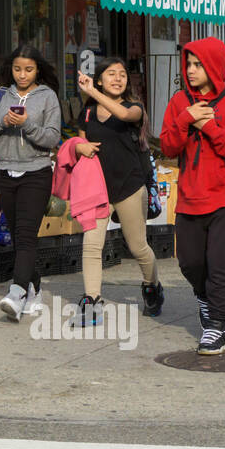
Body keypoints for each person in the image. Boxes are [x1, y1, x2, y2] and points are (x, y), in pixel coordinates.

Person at [159, 38, 225, 356]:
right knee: (189, 261)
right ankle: (204, 298)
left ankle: (216, 324)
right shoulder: (178, 102)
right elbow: (169, 147)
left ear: (215, 65)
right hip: (190, 192)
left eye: (198, 64)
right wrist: (187, 119)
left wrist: (211, 127)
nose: (191, 70)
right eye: (188, 64)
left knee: (219, 263)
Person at [72, 57, 162, 325]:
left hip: (130, 187)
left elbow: (123, 116)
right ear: (99, 79)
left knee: (138, 247)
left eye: (122, 74)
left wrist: (93, 92)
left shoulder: (134, 108)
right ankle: (92, 299)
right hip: (97, 189)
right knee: (91, 244)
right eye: (111, 74)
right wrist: (79, 147)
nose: (118, 78)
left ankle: (151, 285)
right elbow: (79, 140)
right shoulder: (87, 113)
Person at [0, 45, 63, 321]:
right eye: (17, 69)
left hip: (36, 173)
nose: (22, 75)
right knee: (19, 236)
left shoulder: (47, 96)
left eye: (28, 69)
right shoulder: (2, 94)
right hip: (4, 173)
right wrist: (3, 120)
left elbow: (51, 138)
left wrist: (26, 124)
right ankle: (34, 288)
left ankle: (16, 292)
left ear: (38, 69)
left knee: (26, 234)